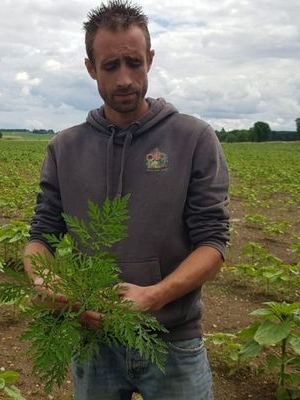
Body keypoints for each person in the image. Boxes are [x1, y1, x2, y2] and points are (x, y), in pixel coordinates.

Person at [23, 0, 230, 399]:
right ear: (90, 68)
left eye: (134, 63)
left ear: (150, 59)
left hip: (172, 342)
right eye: (110, 66)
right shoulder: (65, 147)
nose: (124, 79)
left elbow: (213, 242)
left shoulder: (193, 138)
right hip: (92, 339)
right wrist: (43, 279)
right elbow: (41, 236)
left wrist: (154, 295)